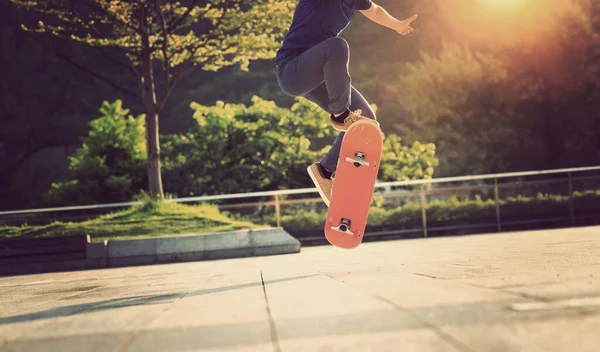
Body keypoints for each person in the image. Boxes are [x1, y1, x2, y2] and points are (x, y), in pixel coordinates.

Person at [275, 0, 417, 207]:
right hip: (291, 71)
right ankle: (341, 114)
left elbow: (375, 10)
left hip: (318, 75)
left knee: (366, 120)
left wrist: (396, 24)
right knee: (337, 46)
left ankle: (324, 170)